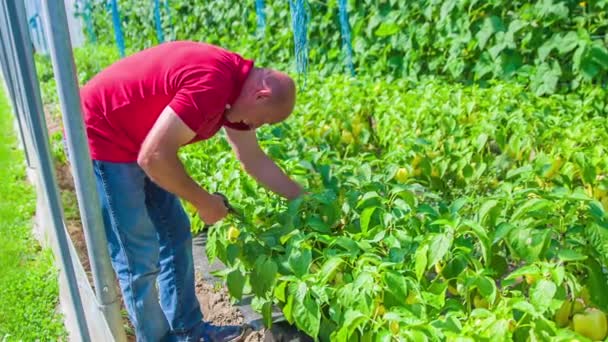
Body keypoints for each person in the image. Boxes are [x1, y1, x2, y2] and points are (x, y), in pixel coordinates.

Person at [79, 41, 303, 341]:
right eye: (263, 119)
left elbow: (254, 159)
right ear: (260, 95)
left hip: (142, 139)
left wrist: (305, 201)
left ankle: (188, 330)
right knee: (138, 254)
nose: (257, 126)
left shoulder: (237, 92)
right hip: (103, 131)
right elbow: (154, 157)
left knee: (175, 233)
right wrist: (204, 202)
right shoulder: (213, 83)